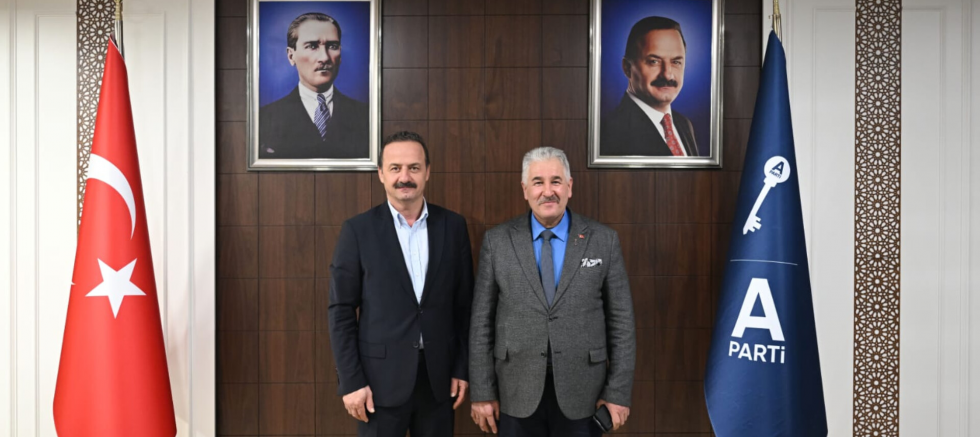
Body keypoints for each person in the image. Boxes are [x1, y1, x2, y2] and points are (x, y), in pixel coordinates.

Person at [469, 147, 636, 436]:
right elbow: (481, 323)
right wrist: (482, 392)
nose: (548, 191)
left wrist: (618, 393)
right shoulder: (497, 242)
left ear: (569, 187)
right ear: (525, 190)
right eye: (538, 182)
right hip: (515, 392)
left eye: (556, 181)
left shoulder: (603, 241)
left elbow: (622, 323)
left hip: (583, 393)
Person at [328, 131, 473, 436]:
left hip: (439, 382)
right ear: (381, 173)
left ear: (427, 172)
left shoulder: (453, 226)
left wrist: (462, 368)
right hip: (377, 385)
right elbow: (340, 311)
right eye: (395, 168)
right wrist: (351, 381)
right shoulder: (357, 231)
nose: (404, 177)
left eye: (414, 168)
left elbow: (465, 306)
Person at [260, 12, 369, 159]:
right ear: (291, 56)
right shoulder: (265, 118)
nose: (324, 57)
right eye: (312, 46)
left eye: (333, 46)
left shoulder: (365, 115)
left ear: (340, 56)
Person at [600, 16, 699, 157]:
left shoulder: (684, 124)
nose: (667, 75)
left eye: (676, 62)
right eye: (654, 61)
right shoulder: (610, 132)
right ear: (627, 68)